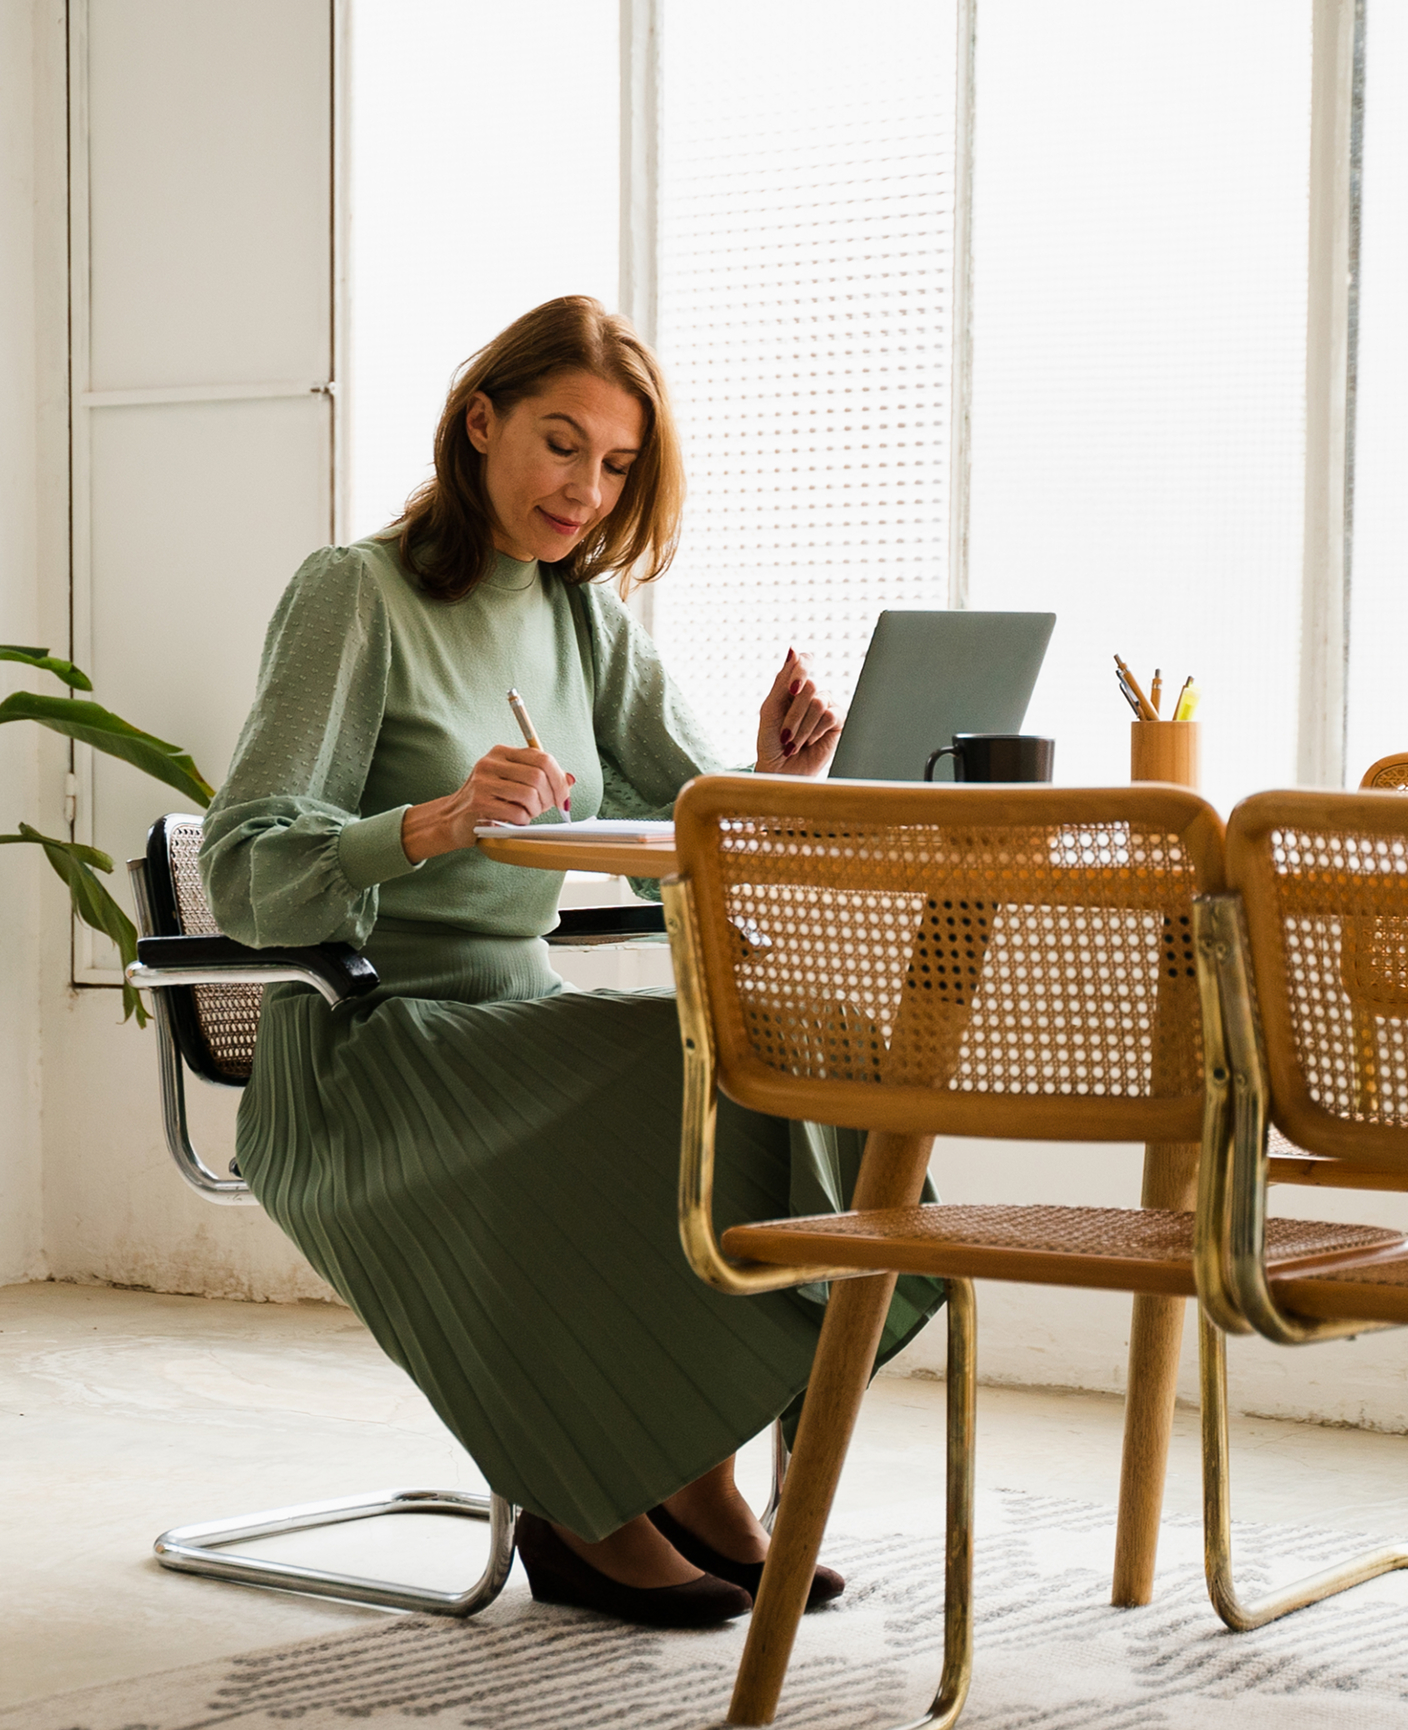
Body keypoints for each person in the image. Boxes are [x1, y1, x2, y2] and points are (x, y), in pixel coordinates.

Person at [199, 296, 940, 1628]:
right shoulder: (351, 594)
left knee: (774, 1053)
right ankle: (579, 1503)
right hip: (367, 1046)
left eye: (614, 467)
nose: (584, 492)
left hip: (512, 1021)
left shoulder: (580, 622)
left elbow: (690, 821)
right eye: (560, 445)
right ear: (478, 423)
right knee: (674, 1069)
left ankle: (697, 1481)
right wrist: (430, 822)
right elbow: (245, 863)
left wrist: (773, 780)